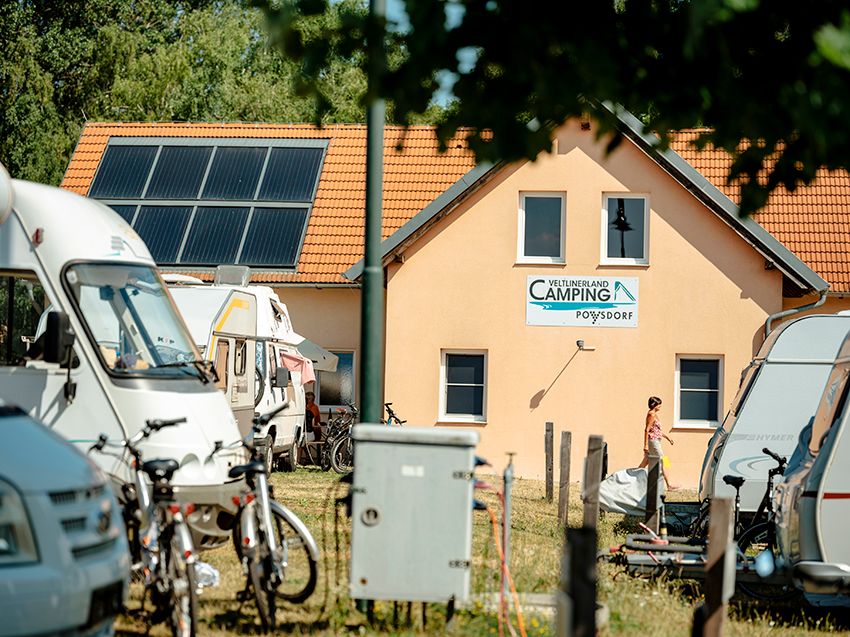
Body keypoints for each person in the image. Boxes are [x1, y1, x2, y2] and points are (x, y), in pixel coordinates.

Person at [639, 396, 678, 489]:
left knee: (646, 461)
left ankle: (633, 479)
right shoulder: (651, 414)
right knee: (664, 460)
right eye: (659, 404)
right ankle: (669, 485)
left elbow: (656, 430)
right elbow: (647, 430)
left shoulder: (655, 414)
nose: (660, 406)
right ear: (654, 405)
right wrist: (646, 445)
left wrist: (667, 437)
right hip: (653, 441)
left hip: (656, 440)